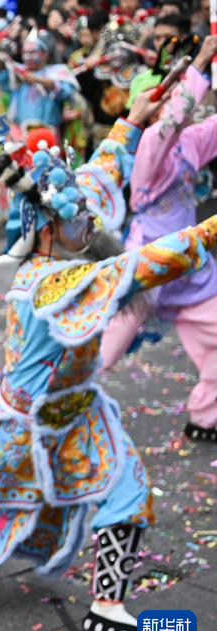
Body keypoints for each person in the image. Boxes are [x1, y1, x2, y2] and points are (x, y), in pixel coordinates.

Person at [0, 90, 205, 631]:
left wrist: (130, 121)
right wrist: (211, 231)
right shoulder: (54, 282)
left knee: (130, 491)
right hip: (28, 429)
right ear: (50, 226)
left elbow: (97, 177)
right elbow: (146, 263)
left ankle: (107, 606)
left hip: (81, 413)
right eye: (81, 217)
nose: (92, 220)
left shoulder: (68, 256)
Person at [101, 36, 217, 442]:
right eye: (164, 97)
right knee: (100, 352)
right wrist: (202, 60)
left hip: (189, 266)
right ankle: (53, 408)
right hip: (146, 266)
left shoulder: (191, 140)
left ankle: (205, 418)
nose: (172, 104)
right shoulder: (148, 144)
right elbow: (170, 123)